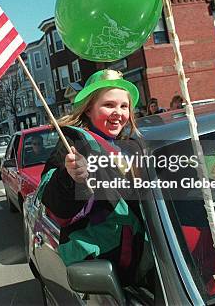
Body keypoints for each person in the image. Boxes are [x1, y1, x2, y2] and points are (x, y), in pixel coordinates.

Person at [39, 69, 147, 286]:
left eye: (123, 106)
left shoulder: (131, 144)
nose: (118, 112)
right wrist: (71, 177)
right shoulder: (74, 144)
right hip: (105, 265)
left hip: (145, 252)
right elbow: (51, 200)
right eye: (109, 105)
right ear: (89, 109)